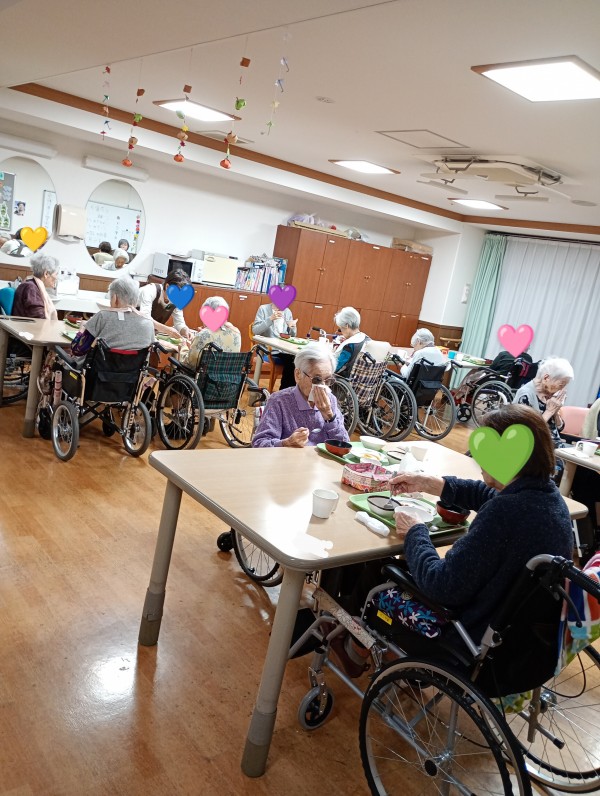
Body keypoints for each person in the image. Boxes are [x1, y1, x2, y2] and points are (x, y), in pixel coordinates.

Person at [328, 404, 573, 678]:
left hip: (464, 638)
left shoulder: (503, 514)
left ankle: (354, 650)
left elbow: (440, 585)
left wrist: (415, 531)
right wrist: (431, 484)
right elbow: (489, 496)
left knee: (380, 570)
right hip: (520, 648)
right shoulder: (548, 500)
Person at [252, 344, 348, 447]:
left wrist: (329, 416)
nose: (323, 386)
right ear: (298, 375)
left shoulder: (331, 400)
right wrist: (286, 443)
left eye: (328, 380)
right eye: (317, 380)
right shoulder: (279, 401)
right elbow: (259, 443)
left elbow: (343, 444)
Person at [70, 277, 154, 357]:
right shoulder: (148, 322)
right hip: (133, 367)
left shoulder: (103, 316)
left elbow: (77, 350)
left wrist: (82, 328)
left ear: (115, 298)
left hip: (99, 367)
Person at [513, 357, 574, 448]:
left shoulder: (549, 394)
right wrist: (549, 412)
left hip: (554, 446)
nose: (562, 389)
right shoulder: (526, 395)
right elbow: (525, 432)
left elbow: (559, 428)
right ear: (546, 378)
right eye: (561, 385)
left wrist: (555, 412)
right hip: (537, 448)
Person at [183, 296, 241, 370]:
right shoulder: (236, 332)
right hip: (227, 374)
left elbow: (191, 363)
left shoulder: (204, 334)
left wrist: (183, 348)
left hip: (204, 375)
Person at [252, 302, 298, 389]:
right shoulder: (263, 309)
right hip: (269, 351)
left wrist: (292, 327)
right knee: (292, 362)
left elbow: (292, 335)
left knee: (298, 360)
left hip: (285, 350)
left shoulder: (287, 311)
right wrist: (270, 319)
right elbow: (255, 330)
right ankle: (284, 392)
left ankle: (288, 392)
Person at [138, 269, 194, 340]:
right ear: (167, 287)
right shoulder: (149, 291)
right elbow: (145, 319)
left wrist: (185, 330)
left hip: (149, 334)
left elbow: (179, 323)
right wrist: (167, 329)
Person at [12, 253, 59, 319]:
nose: (57, 278)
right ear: (46, 274)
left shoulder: (32, 285)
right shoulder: (31, 288)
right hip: (27, 325)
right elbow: (39, 318)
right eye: (56, 274)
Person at [333, 306, 370, 376]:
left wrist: (333, 354)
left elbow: (335, 367)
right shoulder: (367, 339)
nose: (341, 332)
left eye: (341, 328)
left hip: (346, 379)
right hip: (364, 379)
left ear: (346, 326)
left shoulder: (349, 345)